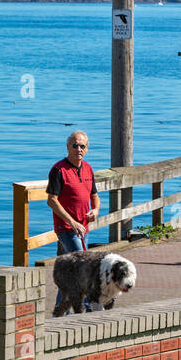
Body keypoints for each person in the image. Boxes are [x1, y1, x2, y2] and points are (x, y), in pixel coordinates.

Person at [46, 131, 101, 309]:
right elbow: (52, 200)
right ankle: (89, 305)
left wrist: (96, 209)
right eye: (75, 145)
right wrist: (71, 222)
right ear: (68, 146)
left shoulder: (88, 168)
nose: (78, 149)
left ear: (87, 148)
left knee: (69, 270)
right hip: (67, 228)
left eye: (82, 146)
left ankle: (60, 310)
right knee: (82, 265)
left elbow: (95, 195)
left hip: (83, 227)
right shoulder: (58, 169)